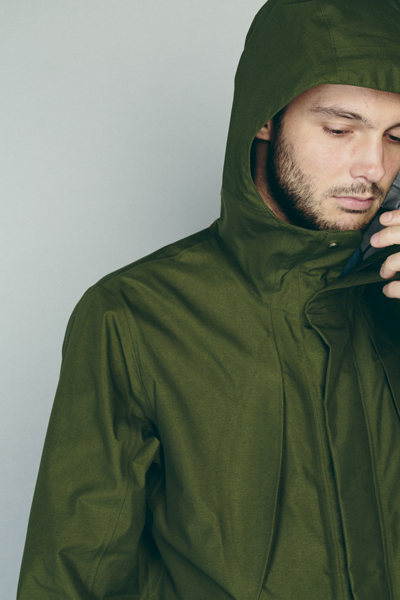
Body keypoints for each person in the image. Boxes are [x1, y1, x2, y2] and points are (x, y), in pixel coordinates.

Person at [17, 0, 400, 599]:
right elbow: (74, 577)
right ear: (265, 117)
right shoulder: (134, 315)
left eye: (397, 136)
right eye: (339, 129)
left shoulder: (391, 299)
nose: (373, 166)